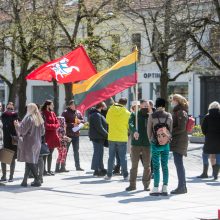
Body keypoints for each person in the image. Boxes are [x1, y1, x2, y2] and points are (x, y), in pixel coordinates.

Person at [14, 103, 45, 187]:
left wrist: (17, 126)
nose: (27, 109)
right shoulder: (40, 119)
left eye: (28, 108)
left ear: (30, 109)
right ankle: (24, 181)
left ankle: (37, 180)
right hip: (37, 142)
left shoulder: (29, 118)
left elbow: (23, 131)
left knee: (30, 162)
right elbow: (42, 132)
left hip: (29, 143)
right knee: (29, 161)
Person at [147, 98, 172, 196]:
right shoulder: (169, 115)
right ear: (164, 106)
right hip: (166, 144)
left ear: (156, 105)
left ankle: (156, 188)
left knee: (156, 166)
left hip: (155, 144)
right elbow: (170, 131)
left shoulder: (152, 116)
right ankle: (165, 187)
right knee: (165, 166)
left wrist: (151, 140)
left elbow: (148, 131)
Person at [126, 99, 151, 191]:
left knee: (147, 166)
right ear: (140, 106)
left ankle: (146, 185)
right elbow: (130, 124)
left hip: (147, 143)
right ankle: (132, 185)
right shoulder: (134, 114)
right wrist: (134, 131)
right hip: (136, 143)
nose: (146, 107)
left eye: (147, 106)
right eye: (144, 106)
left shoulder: (150, 115)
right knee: (134, 165)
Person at [104, 97, 130, 181]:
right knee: (123, 157)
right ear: (125, 103)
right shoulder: (127, 113)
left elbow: (107, 121)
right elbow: (129, 126)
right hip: (122, 137)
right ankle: (125, 175)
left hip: (112, 136)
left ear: (118, 101)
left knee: (111, 157)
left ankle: (109, 175)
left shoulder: (111, 110)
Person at [170, 94, 189, 194]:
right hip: (178, 140)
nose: (171, 102)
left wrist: (170, 132)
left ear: (177, 101)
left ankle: (181, 187)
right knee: (179, 164)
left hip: (179, 141)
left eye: (172, 100)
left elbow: (181, 128)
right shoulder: (179, 111)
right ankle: (182, 186)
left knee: (179, 164)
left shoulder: (181, 112)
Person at [62, 100, 84, 171]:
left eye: (76, 105)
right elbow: (62, 123)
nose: (76, 106)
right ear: (70, 105)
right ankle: (62, 167)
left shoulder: (78, 112)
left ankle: (78, 166)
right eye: (74, 105)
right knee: (65, 151)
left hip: (76, 134)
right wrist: (72, 124)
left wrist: (81, 122)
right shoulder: (65, 112)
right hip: (68, 135)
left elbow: (83, 120)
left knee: (76, 151)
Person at [200, 101, 220, 180]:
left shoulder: (207, 116)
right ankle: (215, 173)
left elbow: (203, 128)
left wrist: (207, 134)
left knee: (205, 154)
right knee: (218, 154)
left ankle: (205, 173)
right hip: (219, 139)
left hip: (209, 138)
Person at [0, 102, 18, 182]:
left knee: (12, 159)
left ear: (13, 108)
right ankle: (4, 176)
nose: (10, 110)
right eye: (8, 108)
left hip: (13, 140)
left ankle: (11, 176)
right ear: (6, 107)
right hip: (5, 140)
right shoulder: (3, 115)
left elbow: (18, 126)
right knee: (3, 158)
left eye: (11, 108)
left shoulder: (16, 115)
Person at [89, 102, 108, 176]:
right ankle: (96, 170)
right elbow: (99, 127)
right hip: (97, 137)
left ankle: (101, 168)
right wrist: (107, 135)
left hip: (99, 137)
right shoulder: (96, 115)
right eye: (105, 105)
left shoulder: (98, 114)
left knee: (100, 153)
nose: (106, 107)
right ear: (101, 106)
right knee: (97, 153)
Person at [41, 100, 60, 176]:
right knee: (45, 154)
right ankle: (43, 170)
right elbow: (46, 125)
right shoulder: (43, 114)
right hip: (47, 136)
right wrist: (54, 126)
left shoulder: (53, 113)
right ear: (48, 105)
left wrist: (54, 126)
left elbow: (57, 123)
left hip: (53, 136)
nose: (53, 106)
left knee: (50, 154)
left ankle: (49, 170)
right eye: (52, 105)